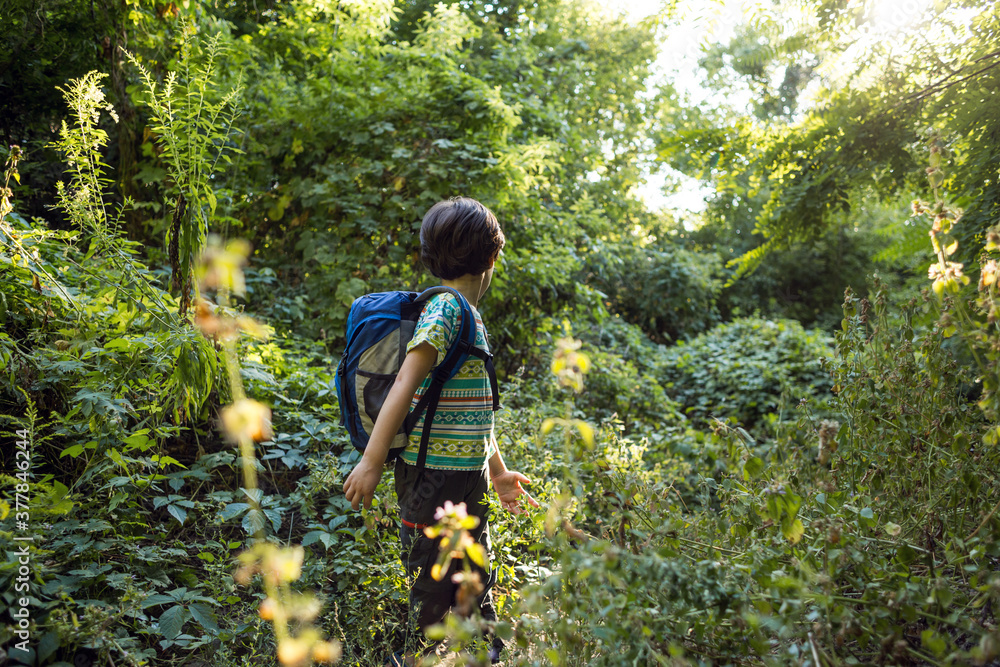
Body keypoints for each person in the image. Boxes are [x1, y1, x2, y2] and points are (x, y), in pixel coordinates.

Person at [343, 197, 538, 666]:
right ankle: (415, 656)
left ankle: (484, 650)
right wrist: (371, 462)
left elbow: (474, 412)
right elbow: (406, 385)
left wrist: (498, 472)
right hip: (428, 476)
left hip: (466, 477)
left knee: (474, 566)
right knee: (431, 581)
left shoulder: (467, 316)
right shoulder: (448, 310)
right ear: (494, 257)